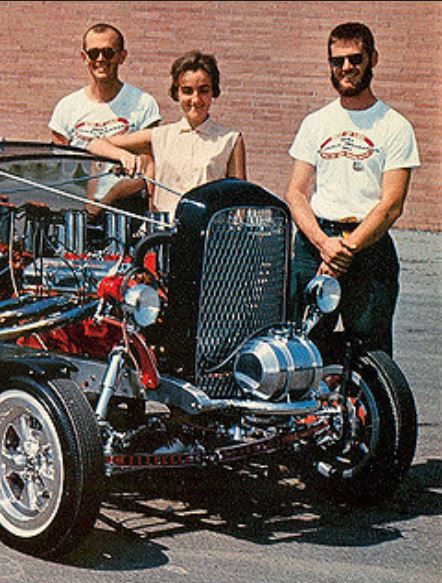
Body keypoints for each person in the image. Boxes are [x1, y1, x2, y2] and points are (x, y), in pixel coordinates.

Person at [285, 22, 420, 358]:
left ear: (373, 58)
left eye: (355, 58)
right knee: (302, 348)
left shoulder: (395, 126)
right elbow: (296, 193)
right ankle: (308, 413)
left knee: (371, 354)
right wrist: (323, 244)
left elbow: (391, 205)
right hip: (314, 246)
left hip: (368, 248)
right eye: (337, 60)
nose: (346, 67)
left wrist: (344, 250)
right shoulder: (316, 123)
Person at [86, 50, 246, 214]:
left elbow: (240, 205)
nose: (196, 99)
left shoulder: (230, 140)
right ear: (177, 92)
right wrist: (125, 156)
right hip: (163, 232)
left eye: (203, 90)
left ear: (214, 92)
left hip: (208, 234)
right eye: (187, 90)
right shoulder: (160, 136)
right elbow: (95, 144)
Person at [48, 23, 161, 210]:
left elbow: (149, 166)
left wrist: (108, 199)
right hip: (75, 210)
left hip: (126, 210)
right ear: (84, 57)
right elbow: (58, 168)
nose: (100, 59)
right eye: (93, 53)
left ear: (122, 56)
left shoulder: (143, 104)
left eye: (108, 52)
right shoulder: (66, 107)